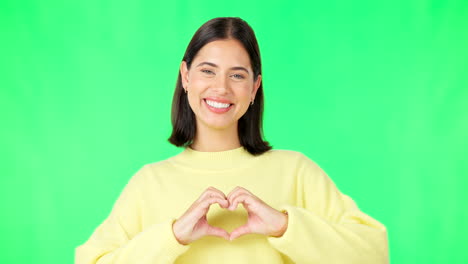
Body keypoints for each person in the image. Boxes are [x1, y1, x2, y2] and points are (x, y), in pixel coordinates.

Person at [75, 17, 389, 264]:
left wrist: (285, 226)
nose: (221, 88)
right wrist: (172, 236)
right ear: (186, 77)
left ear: (255, 88)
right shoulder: (149, 183)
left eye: (237, 75)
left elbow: (375, 254)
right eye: (207, 71)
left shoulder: (296, 171)